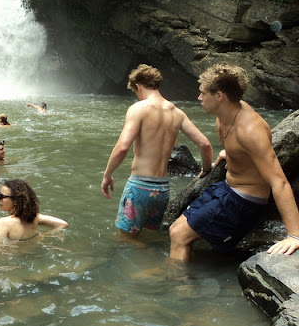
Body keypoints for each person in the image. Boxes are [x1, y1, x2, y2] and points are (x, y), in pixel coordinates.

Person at [169, 64, 299, 260]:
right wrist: (230, 153)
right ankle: (182, 275)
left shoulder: (250, 131)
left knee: (180, 236)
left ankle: (176, 286)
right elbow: (239, 147)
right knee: (174, 229)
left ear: (219, 95)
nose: (199, 98)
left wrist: (294, 235)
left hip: (244, 202)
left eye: (203, 93)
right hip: (227, 189)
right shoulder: (224, 115)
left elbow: (278, 181)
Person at [101, 64, 213, 240]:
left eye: (136, 92)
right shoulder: (177, 113)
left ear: (138, 86)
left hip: (140, 187)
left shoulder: (139, 109)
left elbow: (123, 147)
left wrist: (107, 174)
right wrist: (206, 170)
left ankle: (148, 259)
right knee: (148, 237)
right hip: (162, 190)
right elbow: (205, 144)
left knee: (126, 241)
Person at [0, 179, 68, 244]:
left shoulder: (4, 223)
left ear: (16, 201)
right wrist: (41, 236)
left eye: (2, 196)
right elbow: (63, 224)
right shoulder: (35, 217)